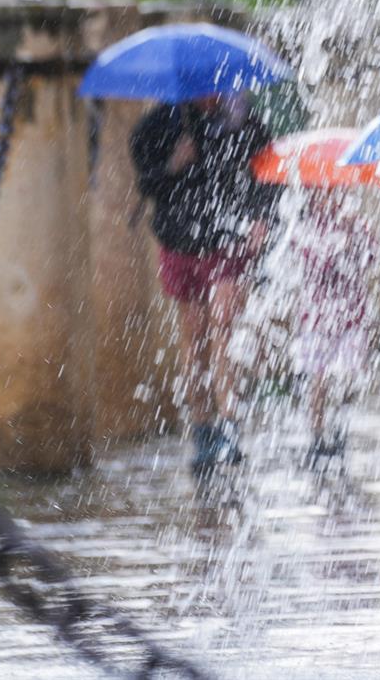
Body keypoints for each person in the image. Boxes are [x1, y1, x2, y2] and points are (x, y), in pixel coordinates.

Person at [129, 93, 275, 479]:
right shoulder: (157, 127)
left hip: (228, 242)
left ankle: (229, 425)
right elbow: (146, 184)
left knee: (223, 333)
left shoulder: (244, 121)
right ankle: (203, 429)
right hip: (180, 243)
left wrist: (261, 218)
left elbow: (266, 174)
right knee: (194, 343)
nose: (212, 94)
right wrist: (173, 165)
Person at [281, 186, 379, 466]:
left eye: (336, 193)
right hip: (317, 318)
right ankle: (317, 436)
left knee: (349, 376)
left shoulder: (356, 223)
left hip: (352, 316)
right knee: (318, 378)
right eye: (324, 194)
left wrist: (354, 237)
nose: (331, 199)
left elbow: (370, 257)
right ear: (311, 197)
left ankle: (340, 429)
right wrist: (340, 243)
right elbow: (318, 263)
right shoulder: (302, 228)